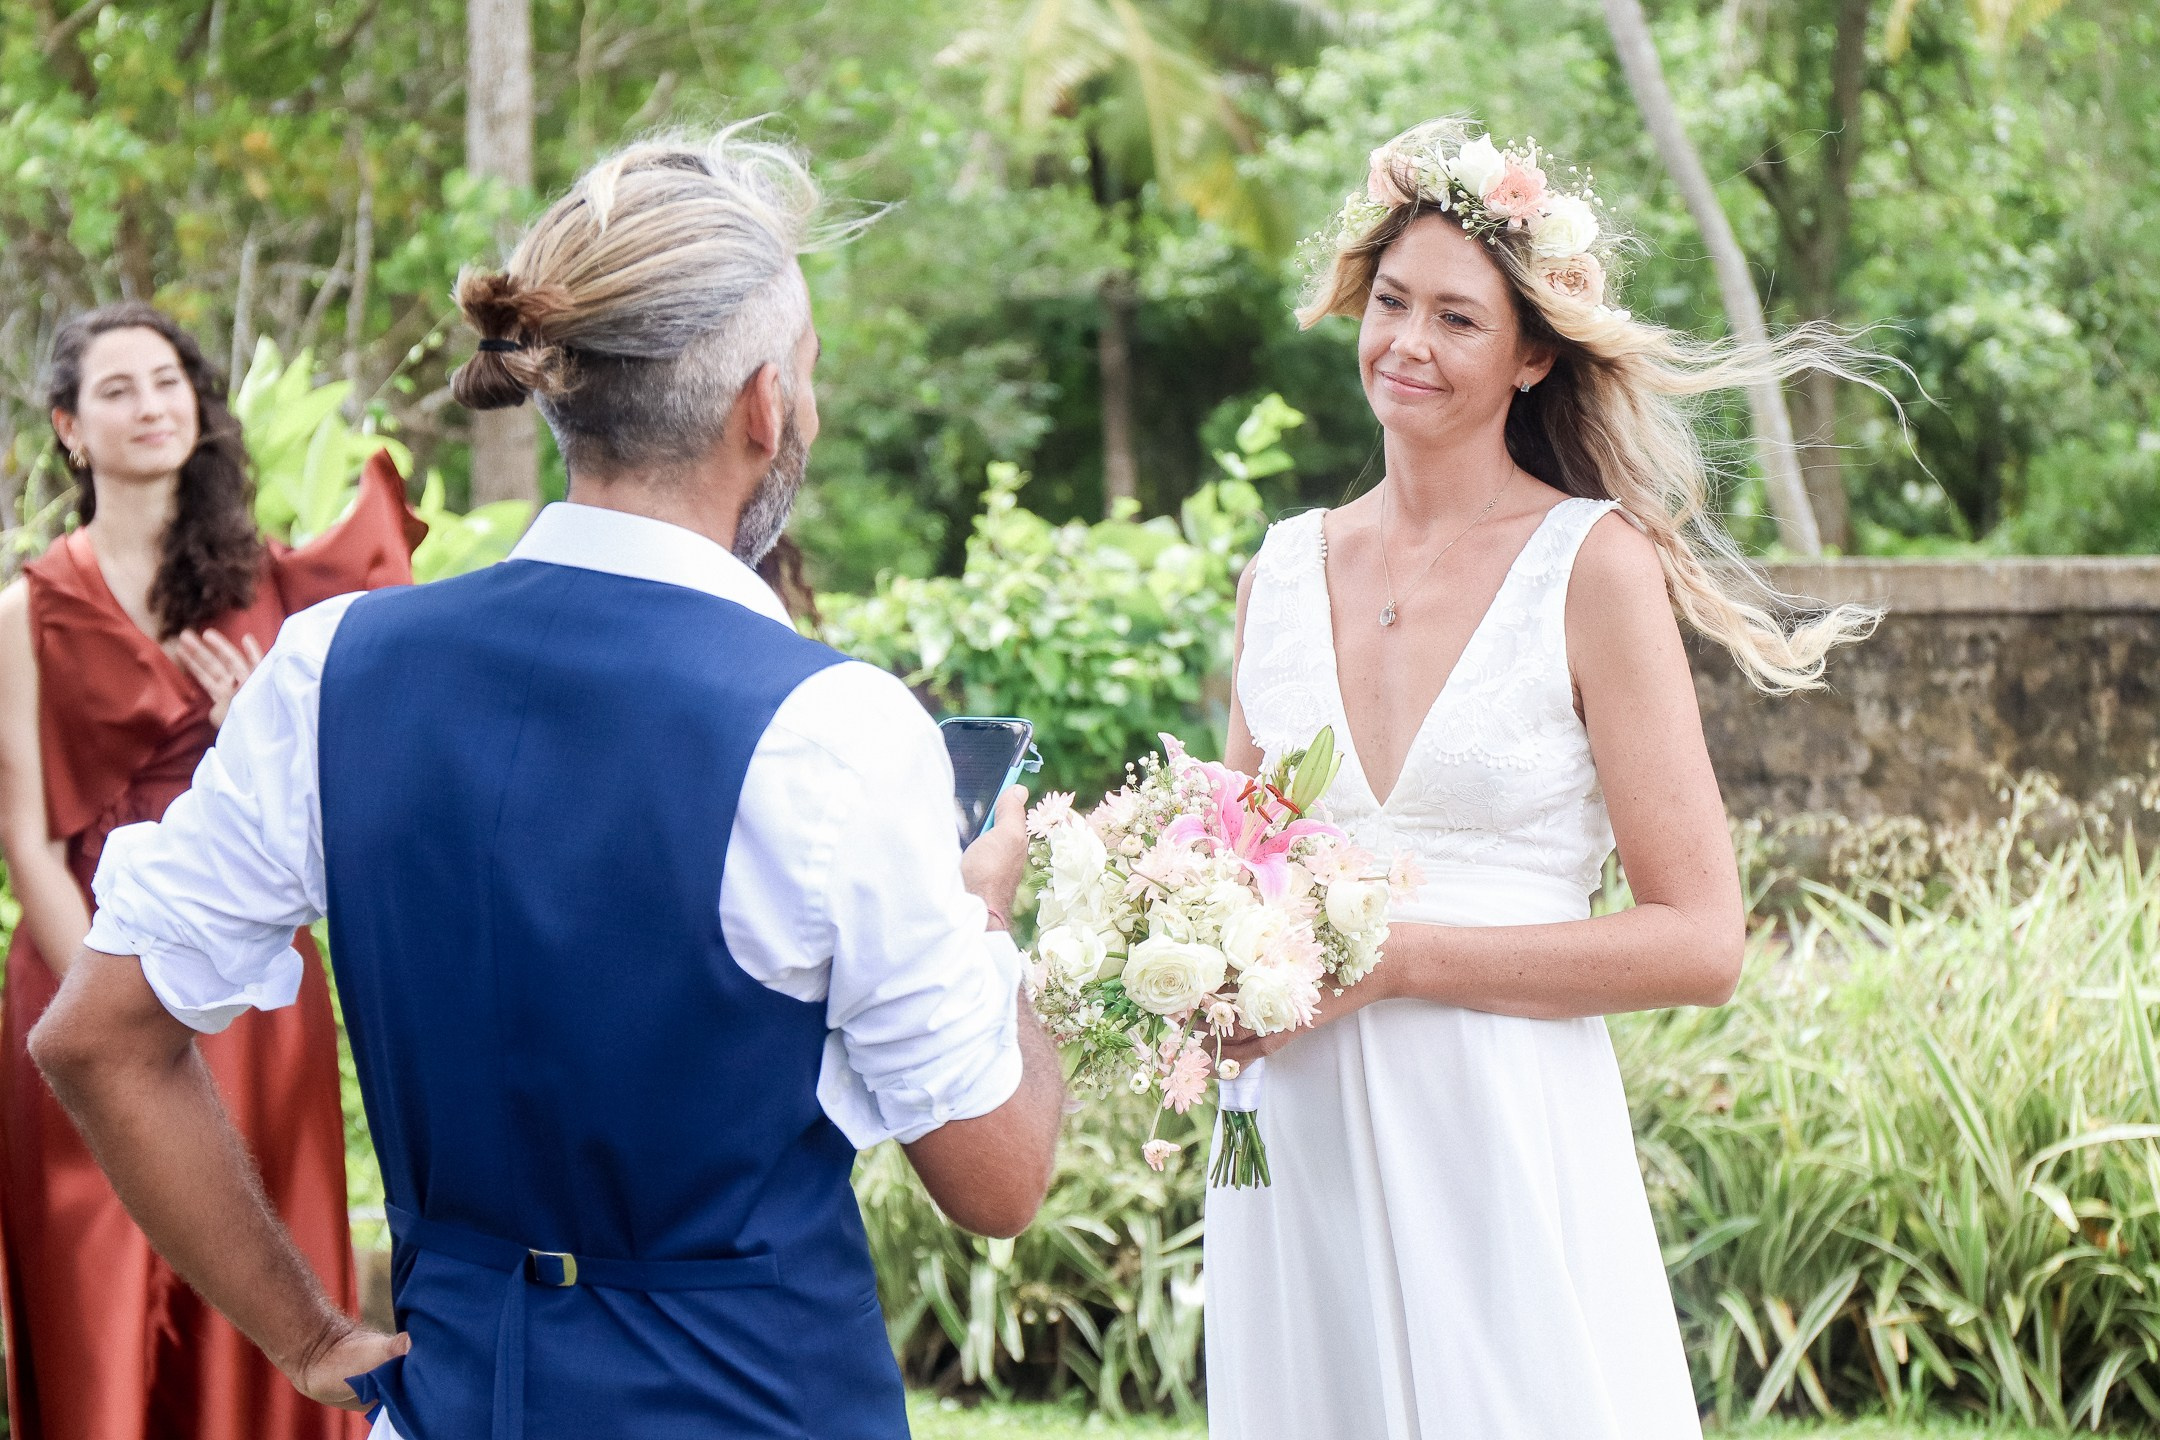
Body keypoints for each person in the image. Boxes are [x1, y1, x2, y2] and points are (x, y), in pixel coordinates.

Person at [29, 126, 1065, 1439]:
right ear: (766, 407)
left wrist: (305, 1333)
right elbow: (1000, 1176)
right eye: (805, 374)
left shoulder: (332, 667)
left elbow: (97, 1037)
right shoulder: (833, 727)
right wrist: (984, 920)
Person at [1207, 119, 1880, 1438]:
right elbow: (1239, 878)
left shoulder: (1595, 570)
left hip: (1501, 1136)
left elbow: (1702, 941)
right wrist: (1192, 972)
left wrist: (1398, 960)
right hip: (1297, 1144)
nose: (1406, 345)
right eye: (1391, 302)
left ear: (1531, 357)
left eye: (1458, 320)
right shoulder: (1277, 577)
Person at [0, 303, 421, 1440]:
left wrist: (258, 725)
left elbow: (353, 787)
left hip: (250, 991)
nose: (150, 406)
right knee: (87, 1290)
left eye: (168, 382)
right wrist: (110, 986)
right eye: (119, 390)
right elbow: (28, 835)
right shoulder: (25, 609)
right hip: (78, 965)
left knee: (259, 1295)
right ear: (69, 430)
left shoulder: (276, 592)